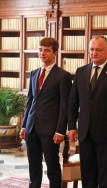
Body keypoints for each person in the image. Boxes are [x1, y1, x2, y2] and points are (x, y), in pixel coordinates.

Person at [68, 35, 107, 188]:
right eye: (92, 49)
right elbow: (72, 103)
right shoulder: (81, 72)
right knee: (87, 176)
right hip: (85, 134)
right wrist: (72, 127)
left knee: (104, 177)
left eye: (98, 50)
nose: (94, 53)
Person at [20, 37, 72, 188]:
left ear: (55, 53)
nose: (42, 53)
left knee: (53, 168)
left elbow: (64, 106)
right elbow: (29, 100)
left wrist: (60, 130)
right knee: (33, 168)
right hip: (31, 128)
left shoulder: (63, 76)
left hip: (50, 130)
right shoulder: (34, 73)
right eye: (40, 50)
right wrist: (24, 125)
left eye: (47, 50)